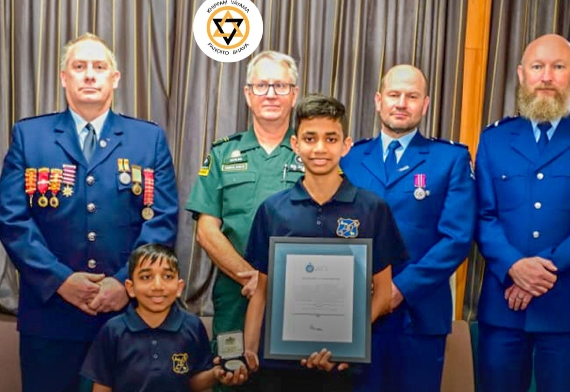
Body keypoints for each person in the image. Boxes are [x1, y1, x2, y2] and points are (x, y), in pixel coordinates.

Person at [0, 33, 178, 392]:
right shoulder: (30, 135)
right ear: (64, 77)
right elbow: (14, 220)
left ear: (115, 78)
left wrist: (125, 281)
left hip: (127, 313)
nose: (90, 75)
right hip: (51, 313)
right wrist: (60, 281)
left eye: (99, 67)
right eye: (80, 67)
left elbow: (162, 218)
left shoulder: (148, 139)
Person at [242, 94, 409, 391]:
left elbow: (383, 294)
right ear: (295, 144)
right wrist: (250, 351)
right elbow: (262, 291)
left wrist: (348, 343)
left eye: (331, 139)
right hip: (278, 367)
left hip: (343, 367)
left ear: (346, 145)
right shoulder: (273, 209)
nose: (320, 148)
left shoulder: (372, 209)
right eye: (310, 138)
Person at [475, 33, 570, 392]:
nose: (547, 76)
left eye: (558, 67)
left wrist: (541, 271)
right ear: (521, 74)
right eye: (537, 67)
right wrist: (515, 267)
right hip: (503, 309)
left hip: (568, 309)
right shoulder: (495, 139)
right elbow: (483, 217)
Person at [339, 64, 475, 391]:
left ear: (425, 104)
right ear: (378, 101)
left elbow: (457, 238)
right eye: (394, 94)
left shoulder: (449, 159)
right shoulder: (349, 158)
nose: (402, 103)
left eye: (412, 96)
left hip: (419, 313)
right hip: (355, 313)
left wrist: (399, 289)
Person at [185, 51, 303, 376]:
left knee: (294, 380)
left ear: (294, 95)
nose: (270, 94)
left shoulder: (313, 153)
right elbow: (206, 230)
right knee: (232, 375)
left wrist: (270, 284)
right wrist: (251, 277)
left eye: (280, 86)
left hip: (298, 294)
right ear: (248, 94)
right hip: (235, 293)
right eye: (261, 85)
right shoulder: (223, 153)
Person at [80, 244, 249, 391]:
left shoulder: (192, 327)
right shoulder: (113, 331)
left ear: (179, 287)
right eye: (146, 277)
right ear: (130, 288)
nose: (158, 286)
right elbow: (102, 386)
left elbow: (194, 384)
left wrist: (216, 374)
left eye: (167, 277)